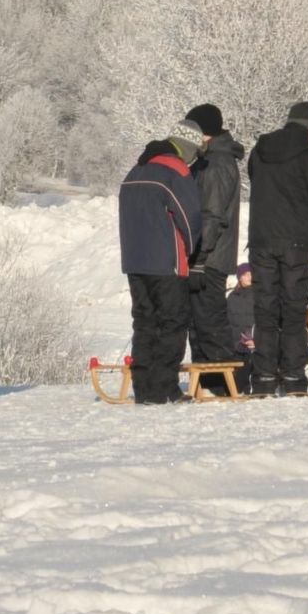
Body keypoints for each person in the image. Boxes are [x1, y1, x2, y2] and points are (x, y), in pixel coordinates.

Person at [246, 101, 308, 398]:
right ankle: (292, 377)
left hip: (262, 240)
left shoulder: (259, 152)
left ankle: (263, 377)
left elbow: (259, 184)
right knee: (293, 308)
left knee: (264, 308)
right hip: (295, 243)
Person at [118, 129, 204, 405]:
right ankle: (166, 387)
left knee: (144, 322)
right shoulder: (175, 171)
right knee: (172, 323)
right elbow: (190, 218)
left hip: (134, 261)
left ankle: (144, 387)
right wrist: (189, 252)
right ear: (187, 147)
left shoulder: (136, 170)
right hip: (167, 262)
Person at [181, 105, 246, 387]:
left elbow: (211, 215)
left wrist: (199, 256)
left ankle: (224, 383)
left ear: (203, 131)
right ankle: (208, 380)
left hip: (210, 257)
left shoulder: (217, 164)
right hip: (206, 255)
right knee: (198, 321)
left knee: (209, 320)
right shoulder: (208, 160)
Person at [228, 263, 256, 375]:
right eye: (245, 274)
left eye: (251, 274)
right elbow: (229, 322)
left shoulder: (259, 295)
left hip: (256, 344)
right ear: (240, 277)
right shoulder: (232, 297)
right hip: (237, 346)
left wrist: (256, 339)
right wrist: (236, 342)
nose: (249, 277)